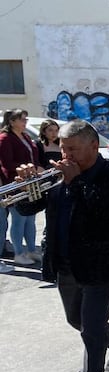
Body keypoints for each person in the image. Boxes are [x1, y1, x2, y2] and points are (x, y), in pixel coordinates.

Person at [15, 119, 109, 372]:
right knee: (77, 321)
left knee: (91, 326)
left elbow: (107, 220)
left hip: (101, 263)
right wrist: (27, 185)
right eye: (62, 148)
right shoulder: (60, 176)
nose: (65, 155)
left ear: (94, 146)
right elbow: (28, 208)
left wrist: (76, 182)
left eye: (73, 149)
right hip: (65, 262)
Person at [0, 108, 42, 266]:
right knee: (18, 219)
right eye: (22, 119)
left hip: (31, 183)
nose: (25, 122)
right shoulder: (5, 138)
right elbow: (7, 164)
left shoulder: (25, 136)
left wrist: (37, 167)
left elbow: (34, 156)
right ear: (12, 122)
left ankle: (31, 250)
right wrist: (27, 167)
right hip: (16, 184)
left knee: (30, 219)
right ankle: (19, 253)